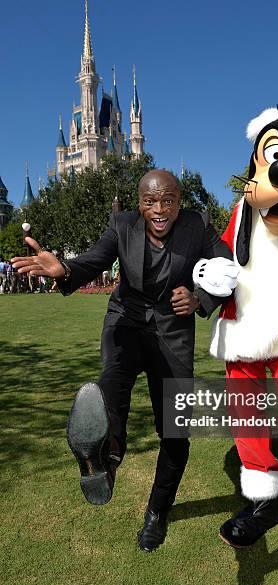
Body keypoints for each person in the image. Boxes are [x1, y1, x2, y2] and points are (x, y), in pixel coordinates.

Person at [11, 169, 236, 552]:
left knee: (176, 432)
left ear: (180, 201)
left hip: (173, 332)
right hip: (126, 321)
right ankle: (107, 458)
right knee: (111, 385)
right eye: (150, 201)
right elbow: (94, 260)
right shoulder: (122, 225)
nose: (160, 209)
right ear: (139, 204)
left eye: (168, 200)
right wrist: (65, 269)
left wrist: (201, 297)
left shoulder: (198, 226)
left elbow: (229, 268)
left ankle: (157, 513)